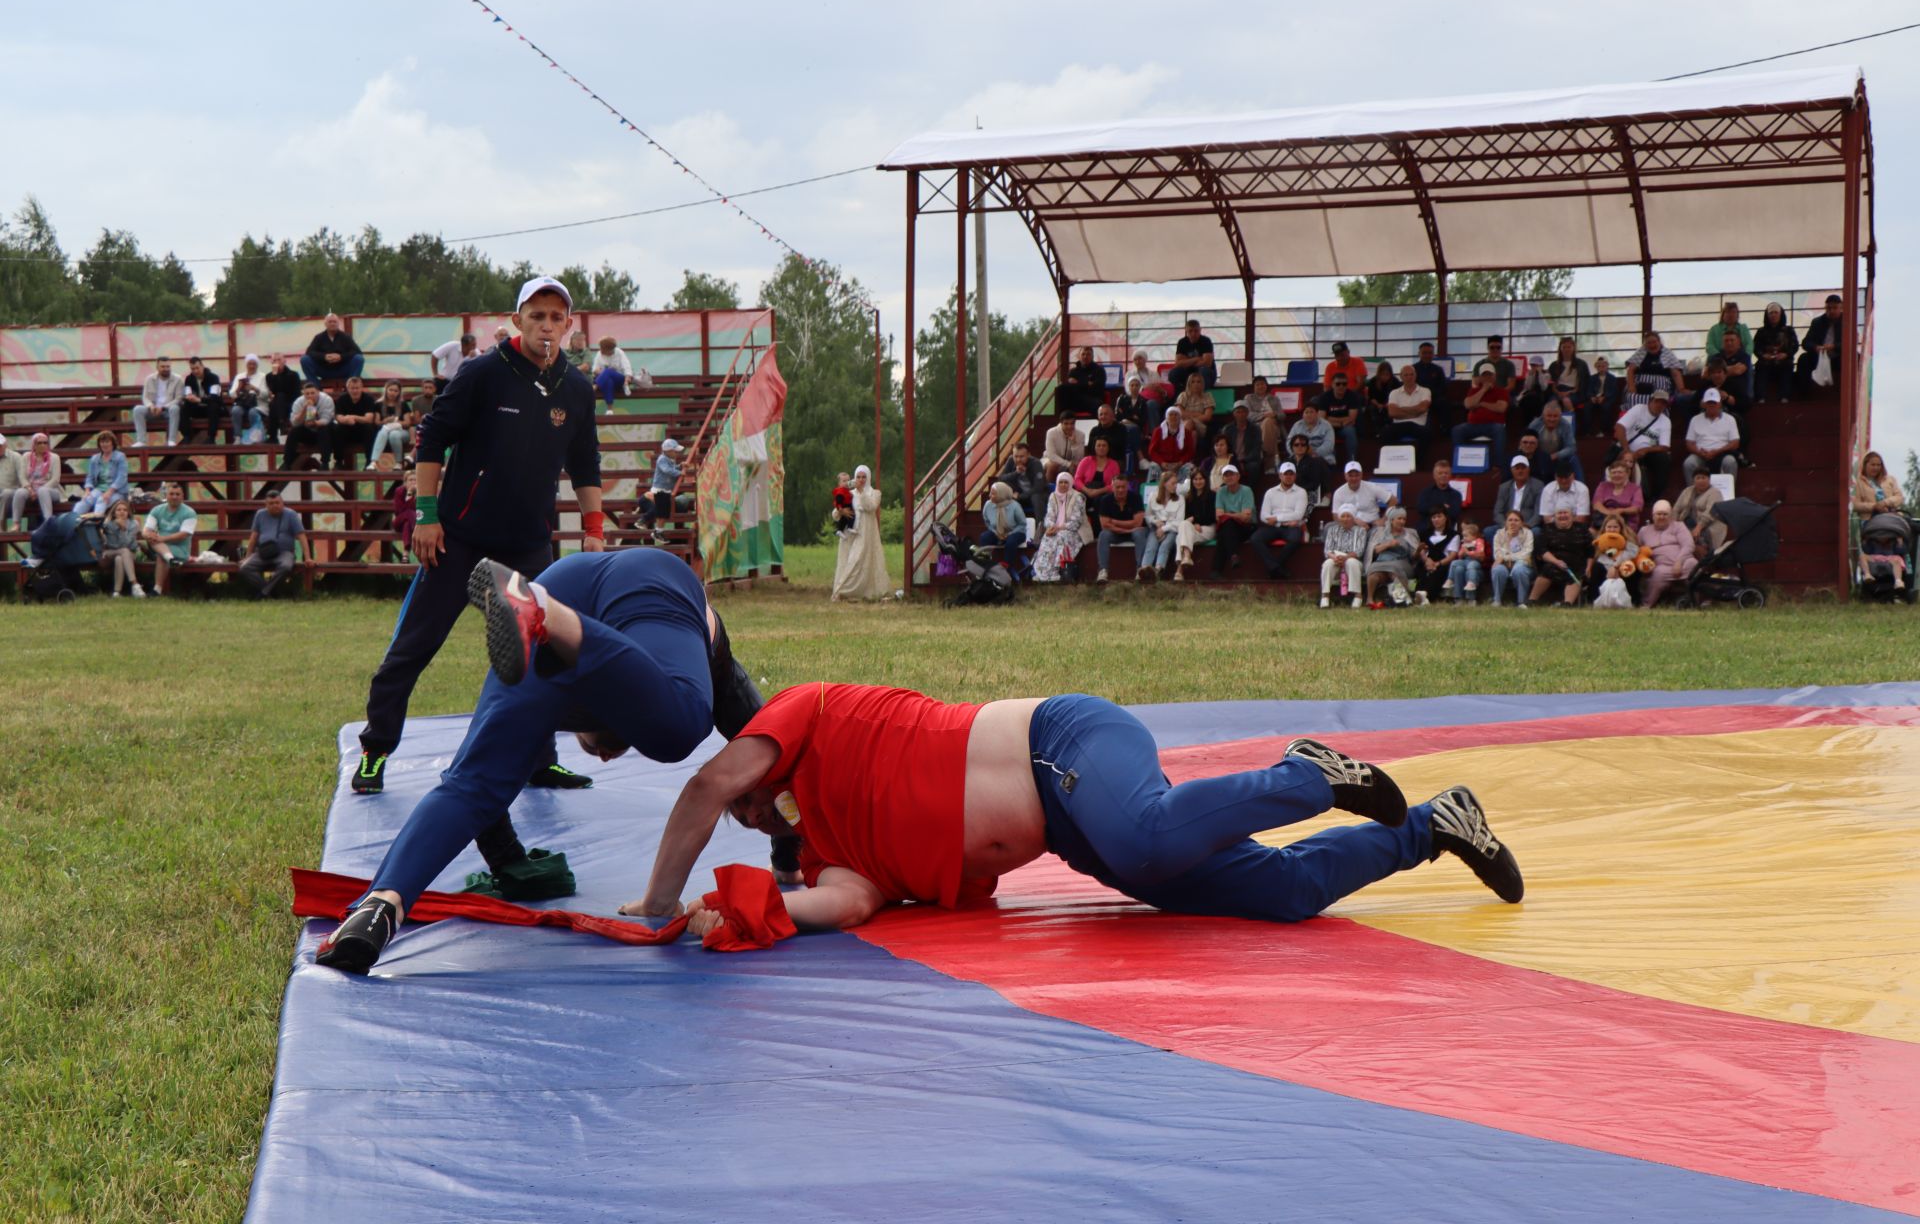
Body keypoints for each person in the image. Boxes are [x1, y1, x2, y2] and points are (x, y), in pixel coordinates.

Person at [631, 688, 1522, 947]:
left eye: (754, 794)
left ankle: (1306, 773)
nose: (751, 808)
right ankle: (1434, 829)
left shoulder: (806, 713)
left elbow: (710, 784)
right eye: (753, 815)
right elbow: (849, 905)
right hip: (1071, 826)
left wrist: (660, 900)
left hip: (1059, 740)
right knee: (1278, 893)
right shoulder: (827, 852)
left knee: (1147, 833)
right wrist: (750, 909)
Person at [315, 549, 773, 972]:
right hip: (642, 581)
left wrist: (507, 860)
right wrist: (791, 853)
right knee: (682, 726)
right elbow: (773, 744)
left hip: (556, 596)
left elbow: (476, 784)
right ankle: (546, 609)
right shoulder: (701, 666)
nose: (608, 757)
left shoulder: (548, 664)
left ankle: (377, 910)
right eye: (749, 810)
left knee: (475, 783)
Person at [352, 276, 606, 796]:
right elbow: (432, 441)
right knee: (412, 649)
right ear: (517, 320)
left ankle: (541, 760)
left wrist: (595, 531)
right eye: (537, 315)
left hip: (528, 545)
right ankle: (376, 751)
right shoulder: (483, 373)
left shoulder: (577, 389)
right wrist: (427, 516)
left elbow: (585, 465)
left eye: (557, 317)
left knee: (540, 655)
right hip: (458, 541)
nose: (547, 326)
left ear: (570, 327)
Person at [831, 466, 891, 602]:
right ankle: (843, 591)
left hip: (865, 533)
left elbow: (871, 506)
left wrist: (861, 491)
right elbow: (835, 513)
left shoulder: (875, 493)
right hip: (849, 533)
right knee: (847, 561)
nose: (861, 480)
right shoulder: (849, 493)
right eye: (858, 477)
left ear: (868, 478)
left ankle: (848, 590)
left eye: (864, 477)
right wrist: (841, 511)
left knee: (858, 561)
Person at [239, 490, 311, 600]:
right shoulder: (260, 514)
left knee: (286, 566)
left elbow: (302, 536)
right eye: (271, 503)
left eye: (277, 503)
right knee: (245, 568)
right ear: (266, 505)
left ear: (282, 503)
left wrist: (308, 557)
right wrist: (247, 557)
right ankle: (270, 591)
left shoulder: (291, 514)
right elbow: (253, 537)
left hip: (284, 552)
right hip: (263, 552)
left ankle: (264, 593)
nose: (275, 506)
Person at [1252, 462, 1309, 579]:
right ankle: (1276, 568)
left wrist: (1277, 518)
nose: (1288, 476)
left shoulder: (1301, 492)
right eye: (1285, 474)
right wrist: (1278, 521)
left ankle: (1274, 567)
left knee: (1295, 538)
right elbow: (1263, 515)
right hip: (1273, 526)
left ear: (1295, 476)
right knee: (1256, 538)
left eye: (1291, 474)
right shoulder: (1270, 492)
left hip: (1291, 526)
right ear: (1280, 475)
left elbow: (1298, 515)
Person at [1613, 389, 1673, 498]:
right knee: (1618, 459)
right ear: (1650, 401)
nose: (1659, 405)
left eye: (1663, 403)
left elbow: (1665, 447)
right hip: (1626, 447)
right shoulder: (1639, 409)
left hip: (1646, 453)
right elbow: (1619, 427)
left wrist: (1645, 450)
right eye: (1657, 401)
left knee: (1664, 459)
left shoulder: (1665, 421)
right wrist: (1627, 450)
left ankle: (1656, 496)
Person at [140, 481, 196, 596]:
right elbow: (146, 530)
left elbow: (184, 534)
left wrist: (162, 539)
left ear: (182, 496)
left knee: (160, 552)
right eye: (172, 494)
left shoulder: (190, 512)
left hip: (181, 550)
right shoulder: (157, 510)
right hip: (161, 547)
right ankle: (170, 560)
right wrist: (148, 535)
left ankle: (157, 590)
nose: (174, 497)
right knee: (153, 540)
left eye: (177, 494)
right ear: (166, 495)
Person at [1638, 500, 1697, 607]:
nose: (1662, 517)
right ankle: (1647, 605)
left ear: (1670, 516)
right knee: (1657, 574)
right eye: (1659, 514)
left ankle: (1698, 602)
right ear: (1653, 516)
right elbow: (1639, 550)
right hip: (1661, 567)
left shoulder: (1679, 526)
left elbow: (1688, 545)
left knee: (1693, 565)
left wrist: (1679, 562)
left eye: (1665, 514)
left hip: (1683, 562)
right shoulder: (1644, 531)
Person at [1529, 507, 1590, 607]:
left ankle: (1567, 604)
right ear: (1554, 516)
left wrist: (1589, 567)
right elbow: (1542, 551)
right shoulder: (1548, 529)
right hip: (1554, 562)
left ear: (1572, 516)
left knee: (1578, 572)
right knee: (1548, 569)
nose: (1563, 515)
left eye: (1565, 513)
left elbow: (1590, 551)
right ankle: (1532, 601)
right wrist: (1556, 562)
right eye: (1559, 513)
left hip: (1576, 563)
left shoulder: (1582, 529)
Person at [1033, 472, 1087, 584]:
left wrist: (1060, 528)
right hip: (1057, 529)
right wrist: (1050, 527)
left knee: (1061, 537)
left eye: (1066, 482)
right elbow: (1049, 516)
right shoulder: (1053, 496)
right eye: (1060, 482)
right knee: (1047, 538)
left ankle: (1056, 572)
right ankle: (1042, 573)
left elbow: (1076, 521)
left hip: (1075, 531)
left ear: (1071, 483)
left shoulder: (1078, 497)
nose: (1063, 485)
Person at [1093, 473, 1148, 584]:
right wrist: (1127, 528)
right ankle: (1103, 571)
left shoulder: (1136, 498)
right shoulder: (1105, 500)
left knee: (1140, 533)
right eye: (1117, 487)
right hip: (1116, 533)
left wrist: (1114, 522)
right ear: (1112, 487)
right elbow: (1105, 525)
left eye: (1123, 487)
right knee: (1104, 535)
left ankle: (1140, 570)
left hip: (1133, 532)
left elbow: (1138, 522)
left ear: (1127, 486)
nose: (1121, 490)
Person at [1450, 366, 1510, 463]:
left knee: (1499, 430)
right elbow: (1468, 405)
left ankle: (1499, 464)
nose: (1487, 378)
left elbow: (1501, 408)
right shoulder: (1473, 391)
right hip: (1473, 425)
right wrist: (1483, 390)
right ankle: (1462, 461)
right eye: (1484, 375)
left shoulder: (1501, 391)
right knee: (1457, 430)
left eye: (1489, 375)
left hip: (1493, 425)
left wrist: (1482, 404)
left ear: (1494, 376)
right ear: (1480, 378)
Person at [1363, 509, 1419, 608]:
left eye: (1404, 519)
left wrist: (1419, 550)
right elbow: (1375, 550)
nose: (1402, 521)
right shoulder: (1380, 532)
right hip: (1382, 561)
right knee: (1373, 571)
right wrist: (1388, 544)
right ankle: (1370, 599)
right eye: (1399, 518)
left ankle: (1401, 600)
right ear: (1391, 520)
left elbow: (1413, 556)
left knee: (1393, 569)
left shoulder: (1410, 533)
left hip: (1401, 562)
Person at [1682, 389, 1741, 483]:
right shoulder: (1695, 419)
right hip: (1701, 454)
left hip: (1722, 454)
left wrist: (1717, 451)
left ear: (1720, 403)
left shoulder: (1730, 419)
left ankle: (1729, 494)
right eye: (1709, 402)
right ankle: (1692, 493)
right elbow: (1689, 443)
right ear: (1704, 404)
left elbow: (1735, 443)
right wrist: (1699, 452)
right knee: (1689, 463)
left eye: (1714, 402)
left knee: (1730, 462)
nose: (1712, 405)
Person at [8, 433, 63, 528]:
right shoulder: (26, 456)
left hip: (50, 490)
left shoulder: (54, 457)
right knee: (20, 492)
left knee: (43, 490)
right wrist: (30, 489)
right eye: (39, 443)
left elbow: (55, 479)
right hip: (31, 488)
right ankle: (16, 523)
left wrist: (38, 492)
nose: (43, 445)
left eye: (45, 443)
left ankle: (48, 521)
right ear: (34, 444)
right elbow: (22, 476)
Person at [1210, 464, 1255, 578]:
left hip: (1246, 527)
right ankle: (1233, 556)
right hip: (1229, 527)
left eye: (1232, 475)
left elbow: (1246, 517)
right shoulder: (1221, 492)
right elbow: (1218, 517)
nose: (1229, 477)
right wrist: (1235, 515)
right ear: (1223, 478)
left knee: (1226, 530)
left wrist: (1228, 514)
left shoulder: (1246, 490)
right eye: (1226, 475)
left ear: (1238, 476)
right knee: (1227, 528)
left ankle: (1216, 570)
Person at [1318, 508, 1368, 608]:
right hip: (1336, 558)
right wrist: (1334, 557)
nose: (1345, 519)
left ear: (1353, 518)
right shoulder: (1332, 530)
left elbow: (1359, 551)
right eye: (1343, 516)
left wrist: (1345, 558)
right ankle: (1325, 597)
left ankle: (1358, 596)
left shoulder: (1361, 531)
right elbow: (1327, 550)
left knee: (1351, 562)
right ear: (1339, 518)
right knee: (1328, 563)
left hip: (1353, 559)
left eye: (1348, 516)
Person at [281, 382, 337, 471]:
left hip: (323, 431)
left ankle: (325, 463)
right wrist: (304, 409)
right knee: (294, 431)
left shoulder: (326, 400)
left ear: (318, 392)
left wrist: (315, 423)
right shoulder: (299, 402)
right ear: (303, 394)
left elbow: (326, 420)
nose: (310, 396)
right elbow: (294, 422)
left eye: (312, 393)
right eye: (307, 394)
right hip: (308, 432)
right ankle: (287, 463)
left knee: (325, 429)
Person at [978, 481, 1029, 577]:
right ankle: (985, 565)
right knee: (984, 537)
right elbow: (987, 522)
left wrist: (1009, 534)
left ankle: (1006, 567)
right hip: (997, 532)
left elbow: (1022, 524)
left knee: (1011, 541)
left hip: (1016, 532)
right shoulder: (988, 505)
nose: (990, 496)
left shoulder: (1014, 506)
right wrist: (995, 532)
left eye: (993, 494)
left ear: (1001, 494)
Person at [1622, 333, 1686, 410]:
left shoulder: (1667, 353)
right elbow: (1630, 370)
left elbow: (1676, 373)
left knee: (1660, 399)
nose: (1652, 345)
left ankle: (1657, 420)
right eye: (1649, 343)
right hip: (1640, 382)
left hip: (1662, 383)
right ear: (1645, 344)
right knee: (1632, 397)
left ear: (1659, 342)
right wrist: (1632, 387)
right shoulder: (1640, 352)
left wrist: (1681, 389)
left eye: (1654, 342)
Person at [1380, 364, 1432, 457]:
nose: (1409, 377)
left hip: (1418, 425)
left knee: (1427, 434)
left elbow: (1423, 408)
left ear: (1416, 375)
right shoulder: (1394, 393)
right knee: (1385, 433)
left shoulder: (1425, 391)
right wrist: (1415, 412)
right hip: (1399, 425)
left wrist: (1401, 410)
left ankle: (1418, 464)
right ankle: (1394, 459)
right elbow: (1392, 412)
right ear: (1401, 377)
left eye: (1411, 374)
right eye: (1406, 375)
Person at [1799, 293, 1847, 393]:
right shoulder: (1817, 322)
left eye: (1835, 308)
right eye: (1829, 308)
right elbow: (1806, 342)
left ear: (1841, 308)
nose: (1832, 311)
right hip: (1820, 356)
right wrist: (1816, 347)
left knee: (1852, 359)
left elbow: (1849, 344)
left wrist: (1834, 346)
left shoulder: (1847, 322)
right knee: (1803, 359)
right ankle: (1804, 393)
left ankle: (1845, 392)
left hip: (1838, 356)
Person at [1751, 302, 1798, 403]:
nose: (1773, 315)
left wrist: (1785, 354)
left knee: (1787, 367)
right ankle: (1760, 398)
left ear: (1781, 314)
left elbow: (1795, 346)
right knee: (1760, 369)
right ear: (1767, 315)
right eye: (1771, 313)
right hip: (1766, 362)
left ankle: (1784, 398)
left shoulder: (1789, 330)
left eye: (1776, 312)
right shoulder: (1761, 331)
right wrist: (1763, 355)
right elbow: (1755, 347)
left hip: (1784, 361)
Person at [1174, 468, 1216, 581]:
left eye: (1200, 479)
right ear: (1192, 481)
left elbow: (1212, 516)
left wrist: (1196, 520)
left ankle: (1180, 568)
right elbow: (1186, 517)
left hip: (1208, 528)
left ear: (1205, 480)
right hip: (1192, 529)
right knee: (1183, 527)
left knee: (1181, 535)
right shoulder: (1188, 497)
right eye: (1195, 479)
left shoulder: (1212, 496)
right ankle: (1185, 559)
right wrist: (1194, 523)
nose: (1198, 481)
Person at [1673, 468, 1727, 555]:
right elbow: (1676, 509)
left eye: (1703, 478)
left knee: (1693, 539)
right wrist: (1673, 525)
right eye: (1698, 478)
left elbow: (1710, 513)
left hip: (1708, 525)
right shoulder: (1687, 490)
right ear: (1693, 480)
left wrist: (1698, 528)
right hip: (1686, 523)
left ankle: (1704, 561)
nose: (1701, 480)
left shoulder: (1715, 492)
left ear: (1709, 479)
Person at [330, 376, 381, 469]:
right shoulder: (342, 399)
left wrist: (353, 417)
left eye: (357, 388)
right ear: (348, 389)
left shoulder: (368, 399)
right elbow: (338, 417)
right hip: (347, 430)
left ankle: (369, 462)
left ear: (361, 388)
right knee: (337, 429)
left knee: (369, 428)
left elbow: (369, 419)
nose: (355, 391)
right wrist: (346, 420)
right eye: (352, 388)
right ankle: (339, 462)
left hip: (363, 432)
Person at [132, 356, 183, 447]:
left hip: (168, 411)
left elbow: (178, 399)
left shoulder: (178, 379)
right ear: (157, 367)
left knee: (175, 408)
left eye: (168, 366)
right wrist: (151, 406)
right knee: (137, 409)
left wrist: (163, 408)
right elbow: (145, 397)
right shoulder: (149, 379)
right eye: (163, 367)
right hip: (153, 410)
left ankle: (171, 440)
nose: (166, 369)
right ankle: (141, 441)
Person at [74, 431, 128, 517]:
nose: (104, 444)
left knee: (102, 500)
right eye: (102, 442)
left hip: (117, 491)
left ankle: (96, 520)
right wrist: (87, 491)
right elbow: (90, 477)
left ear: (112, 443)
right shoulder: (95, 459)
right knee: (86, 500)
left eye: (107, 442)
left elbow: (122, 477)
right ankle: (72, 519)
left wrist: (109, 492)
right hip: (99, 489)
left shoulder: (120, 457)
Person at [98, 498, 144, 598]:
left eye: (125, 510)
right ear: (114, 513)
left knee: (120, 558)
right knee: (123, 551)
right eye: (119, 510)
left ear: (128, 512)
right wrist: (120, 529)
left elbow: (130, 545)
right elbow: (112, 545)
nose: (122, 512)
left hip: (130, 554)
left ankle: (117, 592)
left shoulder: (133, 524)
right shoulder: (108, 525)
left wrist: (123, 529)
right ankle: (135, 584)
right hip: (110, 552)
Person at [1142, 475, 1184, 582]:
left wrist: (1164, 529)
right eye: (1173, 483)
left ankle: (1158, 569)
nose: (1175, 486)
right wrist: (1155, 522)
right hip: (1156, 527)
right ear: (1164, 484)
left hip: (1172, 528)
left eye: (1176, 483)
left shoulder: (1180, 499)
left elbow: (1179, 522)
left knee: (1165, 546)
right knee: (1151, 546)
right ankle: (1144, 570)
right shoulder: (1153, 496)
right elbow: (1148, 515)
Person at [1542, 338, 1591, 430]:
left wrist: (1571, 392)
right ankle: (1549, 429)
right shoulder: (1554, 365)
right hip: (1557, 391)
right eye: (1564, 347)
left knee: (1566, 401)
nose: (1567, 349)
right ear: (1560, 348)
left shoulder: (1581, 364)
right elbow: (1551, 382)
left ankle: (1570, 427)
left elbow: (1585, 381)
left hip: (1575, 392)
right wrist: (1557, 392)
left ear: (1573, 348)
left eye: (1569, 347)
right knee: (1551, 404)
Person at [1489, 511, 1534, 608]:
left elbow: (1526, 553)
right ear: (1506, 522)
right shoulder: (1499, 534)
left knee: (1519, 569)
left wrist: (1506, 557)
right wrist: (1508, 538)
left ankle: (1521, 601)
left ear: (1521, 523)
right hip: (1504, 564)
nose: (1513, 523)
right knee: (1497, 569)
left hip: (1522, 564)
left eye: (1516, 520)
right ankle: (1497, 600)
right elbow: (1497, 554)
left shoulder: (1528, 533)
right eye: (1510, 520)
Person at [1315, 371, 1363, 461]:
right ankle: (1331, 462)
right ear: (1332, 385)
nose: (1341, 386)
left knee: (1350, 431)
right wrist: (1341, 423)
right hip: (1329, 427)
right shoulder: (1324, 397)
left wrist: (1330, 418)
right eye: (1338, 384)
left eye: (1344, 384)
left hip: (1345, 427)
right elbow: (1321, 420)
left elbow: (1352, 419)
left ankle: (1352, 461)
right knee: (1327, 432)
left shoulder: (1352, 396)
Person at [303, 313, 363, 384]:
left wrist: (341, 357)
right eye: (330, 322)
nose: (332, 324)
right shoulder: (319, 337)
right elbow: (309, 352)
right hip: (324, 370)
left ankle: (351, 387)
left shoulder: (345, 337)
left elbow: (357, 351)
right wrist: (324, 357)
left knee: (359, 358)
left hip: (342, 369)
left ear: (338, 324)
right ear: (325, 324)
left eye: (334, 322)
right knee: (304, 360)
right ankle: (315, 388)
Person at [1528, 401, 1581, 481]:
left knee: (1573, 458)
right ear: (1543, 416)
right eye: (1549, 416)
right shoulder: (1535, 425)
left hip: (1559, 457)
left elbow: (1572, 447)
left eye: (1555, 416)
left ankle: (1581, 487)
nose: (1552, 419)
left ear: (1560, 416)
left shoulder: (1565, 425)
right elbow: (1526, 442)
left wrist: (1556, 455)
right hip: (1538, 457)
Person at [1330, 461, 1393, 525]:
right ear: (1345, 476)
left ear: (1361, 475)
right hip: (1350, 526)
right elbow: (1335, 516)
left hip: (1373, 525)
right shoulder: (1339, 493)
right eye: (1350, 476)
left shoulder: (1372, 487)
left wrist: (1384, 519)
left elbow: (1393, 500)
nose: (1354, 478)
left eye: (1357, 475)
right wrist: (1354, 522)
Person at [1416, 508, 1459, 601]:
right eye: (1434, 517)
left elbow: (1452, 555)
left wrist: (1437, 564)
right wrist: (1427, 560)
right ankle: (1419, 593)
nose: (1436, 519)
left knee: (1438, 573)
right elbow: (1422, 550)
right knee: (1421, 570)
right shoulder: (1425, 533)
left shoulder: (1453, 535)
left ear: (1445, 518)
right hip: (1427, 561)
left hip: (1443, 562)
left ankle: (1427, 595)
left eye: (1439, 516)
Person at [1492, 455, 1544, 531]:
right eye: (1517, 468)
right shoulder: (1504, 487)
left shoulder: (1538, 485)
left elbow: (1538, 513)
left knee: (1536, 532)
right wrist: (1505, 525)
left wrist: (1527, 525)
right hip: (1508, 525)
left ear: (1528, 469)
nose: (1520, 471)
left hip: (1527, 525)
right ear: (1512, 470)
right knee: (1488, 531)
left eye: (1523, 468)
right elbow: (1497, 512)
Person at [1410, 342, 1453, 433]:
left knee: (1444, 403)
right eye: (1424, 353)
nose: (1427, 355)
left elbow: (1443, 387)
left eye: (1430, 353)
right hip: (1418, 399)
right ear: (1419, 354)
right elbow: (1410, 385)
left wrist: (1430, 395)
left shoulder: (1438, 369)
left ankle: (1445, 429)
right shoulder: (1413, 369)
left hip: (1434, 398)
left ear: (1433, 354)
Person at [368, 381, 412, 468]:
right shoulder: (378, 404)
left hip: (401, 432)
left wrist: (396, 422)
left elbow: (407, 423)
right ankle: (373, 461)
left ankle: (399, 462)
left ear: (399, 392)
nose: (393, 393)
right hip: (384, 432)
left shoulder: (403, 404)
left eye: (395, 391)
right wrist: (385, 421)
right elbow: (377, 422)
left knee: (394, 434)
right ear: (386, 390)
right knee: (384, 431)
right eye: (390, 390)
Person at [1111, 373, 1150, 472]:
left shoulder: (1143, 402)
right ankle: (1140, 457)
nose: (1134, 387)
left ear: (1140, 386)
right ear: (1128, 387)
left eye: (1137, 385)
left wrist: (1128, 418)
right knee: (1131, 429)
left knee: (1133, 430)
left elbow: (1142, 420)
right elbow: (1118, 416)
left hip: (1137, 429)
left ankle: (1130, 467)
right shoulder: (1122, 399)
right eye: (1132, 385)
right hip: (1121, 426)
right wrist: (1133, 418)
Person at [1594, 460, 1646, 532]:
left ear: (1627, 474)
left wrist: (1621, 511)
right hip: (1604, 522)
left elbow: (1636, 508)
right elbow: (1597, 504)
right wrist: (1610, 514)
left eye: (1620, 472)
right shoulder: (1603, 486)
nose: (1616, 475)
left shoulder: (1635, 488)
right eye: (1613, 473)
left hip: (1626, 524)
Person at [999, 442, 1047, 521]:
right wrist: (1016, 473)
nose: (1018, 459)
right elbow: (1001, 478)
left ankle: (1040, 527)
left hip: (1035, 495)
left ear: (1028, 455)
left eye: (1021, 457)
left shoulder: (1036, 463)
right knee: (1005, 496)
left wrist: (1020, 496)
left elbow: (1038, 487)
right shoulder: (1011, 460)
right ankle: (1008, 527)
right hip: (1018, 494)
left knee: (1036, 497)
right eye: (1016, 456)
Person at [1144, 406, 1195, 479]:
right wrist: (1162, 463)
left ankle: (1186, 490)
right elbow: (1152, 451)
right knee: (1153, 467)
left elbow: (1190, 452)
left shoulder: (1186, 433)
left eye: (1176, 415)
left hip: (1179, 464)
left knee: (1189, 468)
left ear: (1180, 418)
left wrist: (1180, 462)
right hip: (1162, 464)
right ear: (1166, 418)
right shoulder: (1158, 431)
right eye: (1171, 415)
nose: (1173, 417)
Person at [179, 356, 223, 440]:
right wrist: (189, 397)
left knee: (213, 406)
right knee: (184, 408)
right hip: (197, 408)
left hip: (212, 408)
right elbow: (187, 394)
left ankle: (211, 437)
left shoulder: (213, 378)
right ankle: (186, 436)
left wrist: (199, 400)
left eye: (197, 368)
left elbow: (214, 397)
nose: (195, 371)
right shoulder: (189, 379)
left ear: (202, 366)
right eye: (192, 369)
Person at [1853, 451, 1905, 518]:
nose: (1876, 468)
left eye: (1878, 465)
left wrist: (1885, 503)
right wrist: (1874, 506)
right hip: (1870, 520)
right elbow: (1855, 505)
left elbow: (1899, 497)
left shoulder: (1890, 479)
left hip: (1892, 517)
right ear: (1865, 465)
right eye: (1873, 465)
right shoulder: (1859, 482)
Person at [1415, 457, 1462, 531]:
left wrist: (1433, 507)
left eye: (1446, 473)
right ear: (1434, 476)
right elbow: (1422, 509)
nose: (1443, 475)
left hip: (1447, 531)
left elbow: (1454, 513)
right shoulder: (1425, 493)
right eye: (1440, 473)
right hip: (1426, 529)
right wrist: (1444, 507)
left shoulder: (1456, 495)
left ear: (1450, 476)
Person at [264, 353, 302, 443]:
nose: (277, 362)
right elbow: (273, 391)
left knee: (280, 397)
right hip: (277, 405)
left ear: (284, 361)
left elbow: (295, 393)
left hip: (291, 402)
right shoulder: (269, 376)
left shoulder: (293, 374)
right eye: (274, 361)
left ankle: (273, 435)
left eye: (279, 360)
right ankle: (281, 424)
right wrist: (275, 376)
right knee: (276, 401)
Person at [1059, 346, 1107, 417]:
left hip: (1092, 399)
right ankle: (1063, 421)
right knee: (1062, 389)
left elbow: (1097, 388)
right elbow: (1070, 387)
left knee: (1099, 404)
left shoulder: (1099, 370)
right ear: (1079, 356)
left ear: (1092, 356)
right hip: (1077, 400)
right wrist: (1087, 383)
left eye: (1088, 354)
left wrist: (1078, 383)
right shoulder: (1073, 371)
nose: (1085, 356)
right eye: (1083, 354)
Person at [1242, 376, 1281, 463]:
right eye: (1257, 385)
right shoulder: (1248, 398)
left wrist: (1275, 414)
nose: (1260, 386)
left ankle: (1264, 452)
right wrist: (1264, 415)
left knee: (1269, 422)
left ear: (1266, 385)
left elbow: (1282, 415)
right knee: (1268, 423)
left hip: (1274, 424)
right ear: (1254, 387)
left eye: (1262, 384)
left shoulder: (1274, 398)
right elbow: (1248, 415)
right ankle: (1273, 459)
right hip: (1256, 426)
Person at [1448, 518, 1487, 603]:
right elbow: (1459, 556)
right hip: (1465, 563)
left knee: (1471, 567)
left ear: (1473, 534)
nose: (1464, 536)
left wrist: (1468, 553)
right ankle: (1458, 598)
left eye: (1466, 534)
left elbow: (1482, 556)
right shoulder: (1464, 543)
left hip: (1477, 568)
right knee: (1458, 568)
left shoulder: (1480, 542)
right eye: (1463, 533)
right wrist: (1462, 552)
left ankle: (1471, 598)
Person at [1073, 436, 1120, 505]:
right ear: (1094, 447)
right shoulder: (1085, 461)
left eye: (1104, 445)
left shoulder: (1114, 464)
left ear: (1108, 448)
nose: (1101, 448)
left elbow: (1115, 484)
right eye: (1098, 445)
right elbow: (1077, 480)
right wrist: (1088, 491)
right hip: (1085, 492)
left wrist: (1098, 491)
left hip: (1104, 494)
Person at [1285, 434, 1331, 505]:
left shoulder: (1314, 462)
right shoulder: (1287, 462)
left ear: (1307, 447)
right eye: (1296, 445)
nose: (1300, 447)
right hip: (1289, 493)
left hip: (1307, 493)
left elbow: (1314, 483)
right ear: (1292, 447)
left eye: (1303, 445)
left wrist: (1297, 490)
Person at [1086, 405, 1128, 480]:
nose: (1103, 416)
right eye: (1101, 414)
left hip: (1116, 460)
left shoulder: (1121, 429)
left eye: (1106, 414)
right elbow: (1091, 450)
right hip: (1098, 460)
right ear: (1098, 417)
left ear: (1112, 416)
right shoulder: (1094, 430)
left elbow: (1120, 447)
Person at [1221, 402, 1262, 480]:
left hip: (1249, 460)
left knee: (1254, 467)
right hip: (1232, 459)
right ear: (1234, 414)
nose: (1241, 414)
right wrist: (1235, 460)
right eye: (1238, 412)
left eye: (1243, 411)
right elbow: (1226, 448)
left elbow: (1256, 449)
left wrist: (1243, 461)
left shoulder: (1255, 429)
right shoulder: (1227, 429)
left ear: (1247, 413)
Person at [1042, 412, 1086, 484]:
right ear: (1061, 423)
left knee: (1078, 466)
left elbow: (1079, 457)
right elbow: (1051, 455)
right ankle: (1049, 490)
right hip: (1049, 460)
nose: (1069, 426)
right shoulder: (1051, 432)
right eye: (1066, 424)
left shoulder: (1080, 435)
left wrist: (1074, 444)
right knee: (1053, 465)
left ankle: (1073, 490)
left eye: (1072, 424)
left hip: (1070, 462)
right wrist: (1068, 464)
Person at [1172, 320, 1216, 391]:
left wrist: (1187, 362)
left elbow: (1207, 363)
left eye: (1196, 331)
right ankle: (1183, 396)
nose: (1193, 334)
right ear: (1186, 331)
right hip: (1188, 373)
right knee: (1174, 373)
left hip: (1207, 373)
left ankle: (1201, 396)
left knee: (1203, 370)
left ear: (1200, 330)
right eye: (1190, 331)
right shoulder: (1182, 342)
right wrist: (1197, 359)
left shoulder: (1206, 341)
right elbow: (1178, 364)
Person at [230, 355, 265, 442]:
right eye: (249, 364)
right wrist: (239, 387)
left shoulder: (263, 376)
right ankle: (237, 436)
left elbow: (266, 394)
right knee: (235, 410)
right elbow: (231, 394)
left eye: (254, 364)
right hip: (242, 403)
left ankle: (256, 437)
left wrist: (254, 389)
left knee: (252, 412)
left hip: (257, 403)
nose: (252, 366)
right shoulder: (240, 376)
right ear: (246, 365)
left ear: (257, 365)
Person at [393, 468, 418, 555]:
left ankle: (405, 553)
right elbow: (399, 510)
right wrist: (409, 494)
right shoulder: (399, 491)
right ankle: (416, 529)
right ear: (405, 482)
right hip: (399, 521)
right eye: (410, 480)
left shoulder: (422, 492)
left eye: (415, 480)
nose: (413, 482)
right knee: (409, 512)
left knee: (407, 524)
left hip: (410, 522)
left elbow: (419, 510)